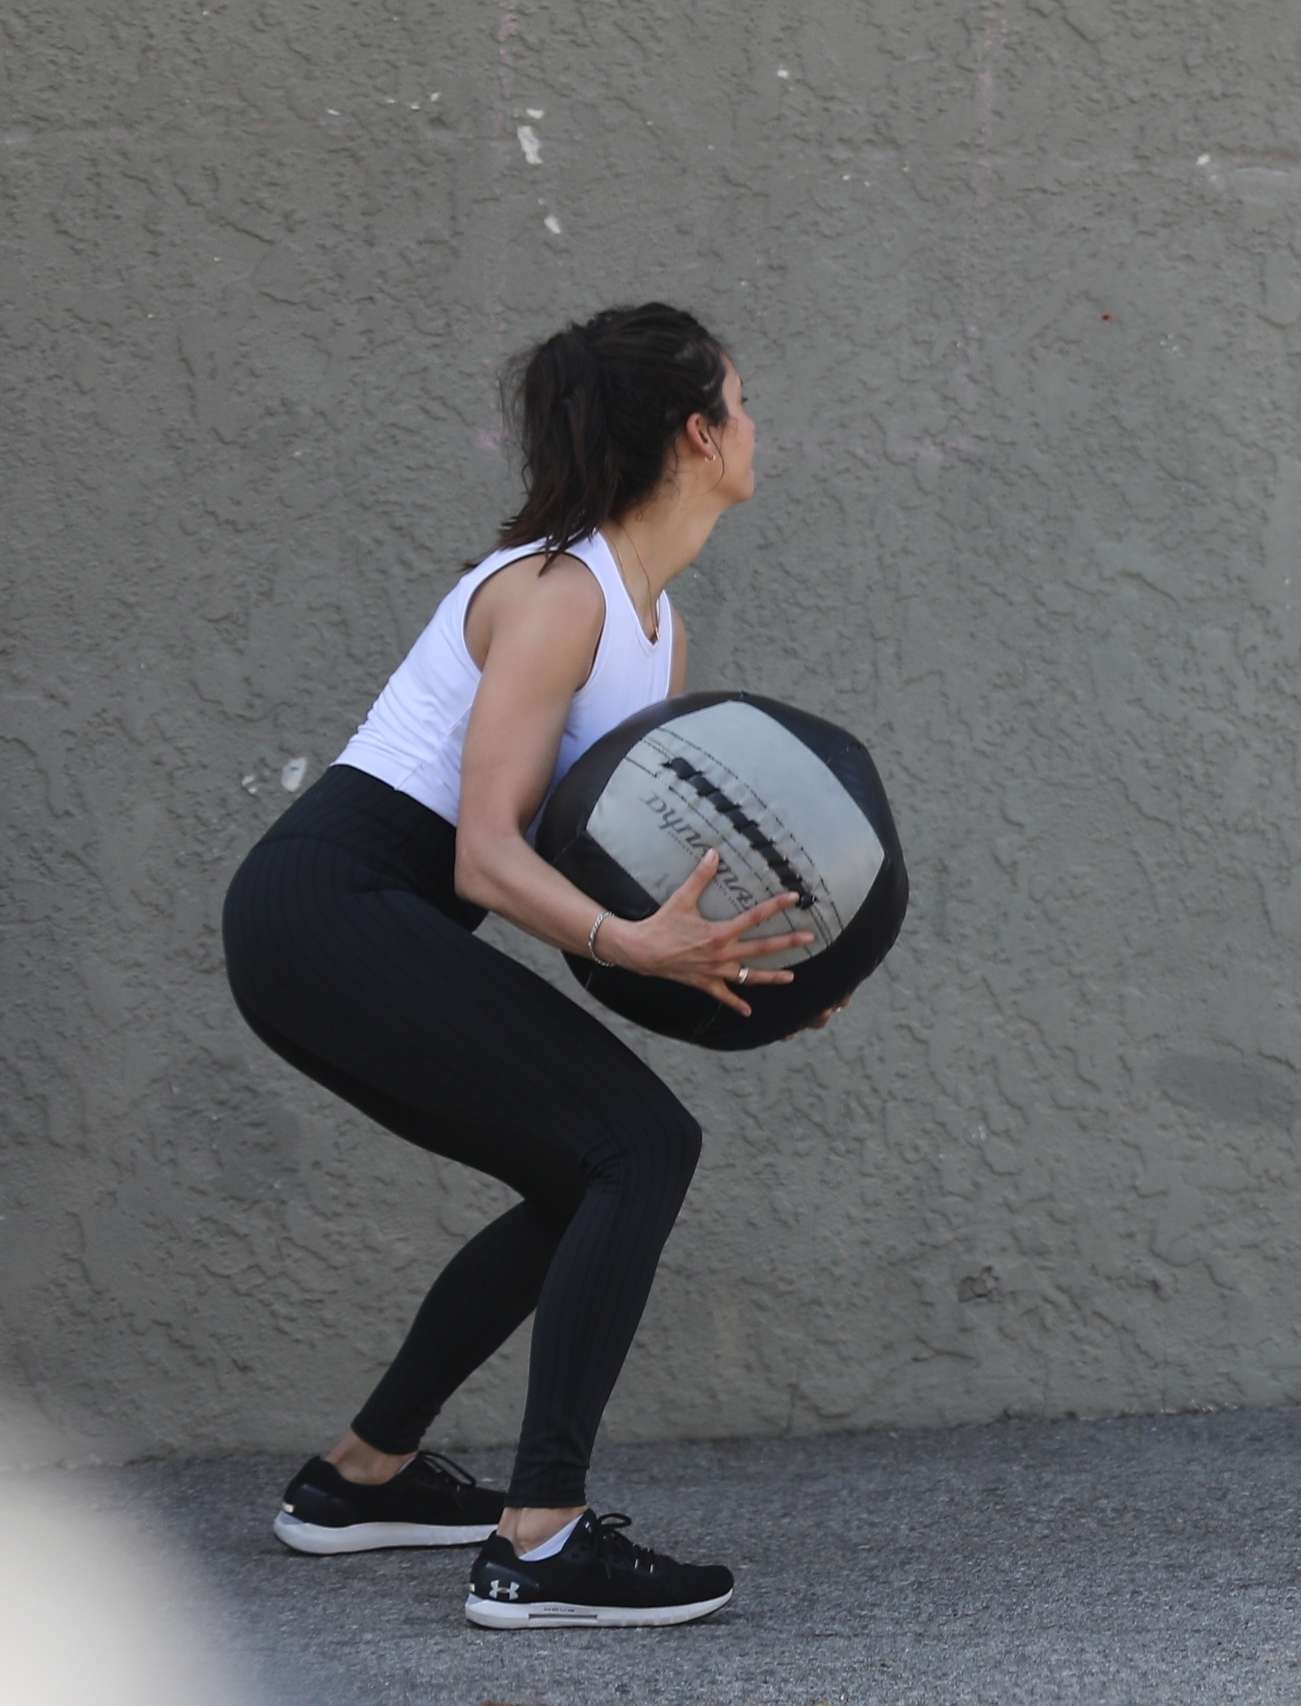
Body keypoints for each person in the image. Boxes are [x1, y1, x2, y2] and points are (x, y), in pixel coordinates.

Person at [222, 303, 840, 1626]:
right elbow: (488, 858)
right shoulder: (557, 593)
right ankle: (542, 1541)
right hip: (327, 904)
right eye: (741, 401)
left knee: (584, 1169)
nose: (754, 424)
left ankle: (359, 1477)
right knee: (641, 1146)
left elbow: (614, 888)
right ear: (698, 433)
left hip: (361, 924)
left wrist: (746, 979)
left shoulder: (655, 631)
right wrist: (631, 943)